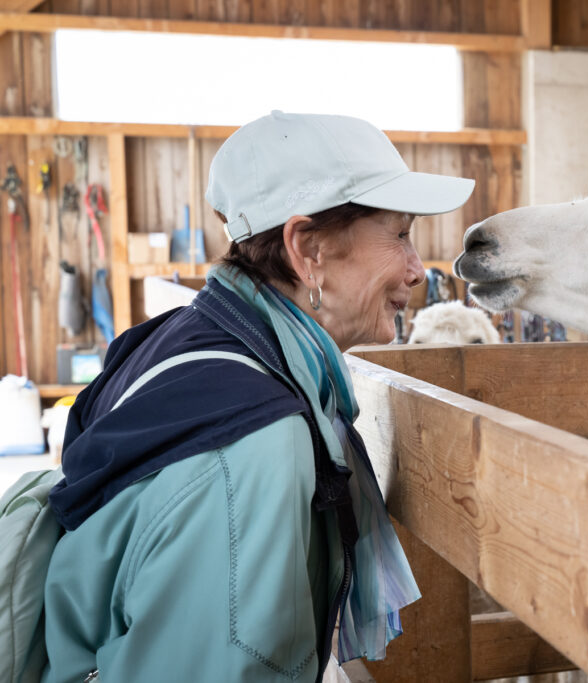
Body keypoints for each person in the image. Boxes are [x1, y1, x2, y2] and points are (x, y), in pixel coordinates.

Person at [41, 111, 475, 683]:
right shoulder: (254, 446)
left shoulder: (191, 338)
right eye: (399, 234)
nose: (418, 269)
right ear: (308, 249)